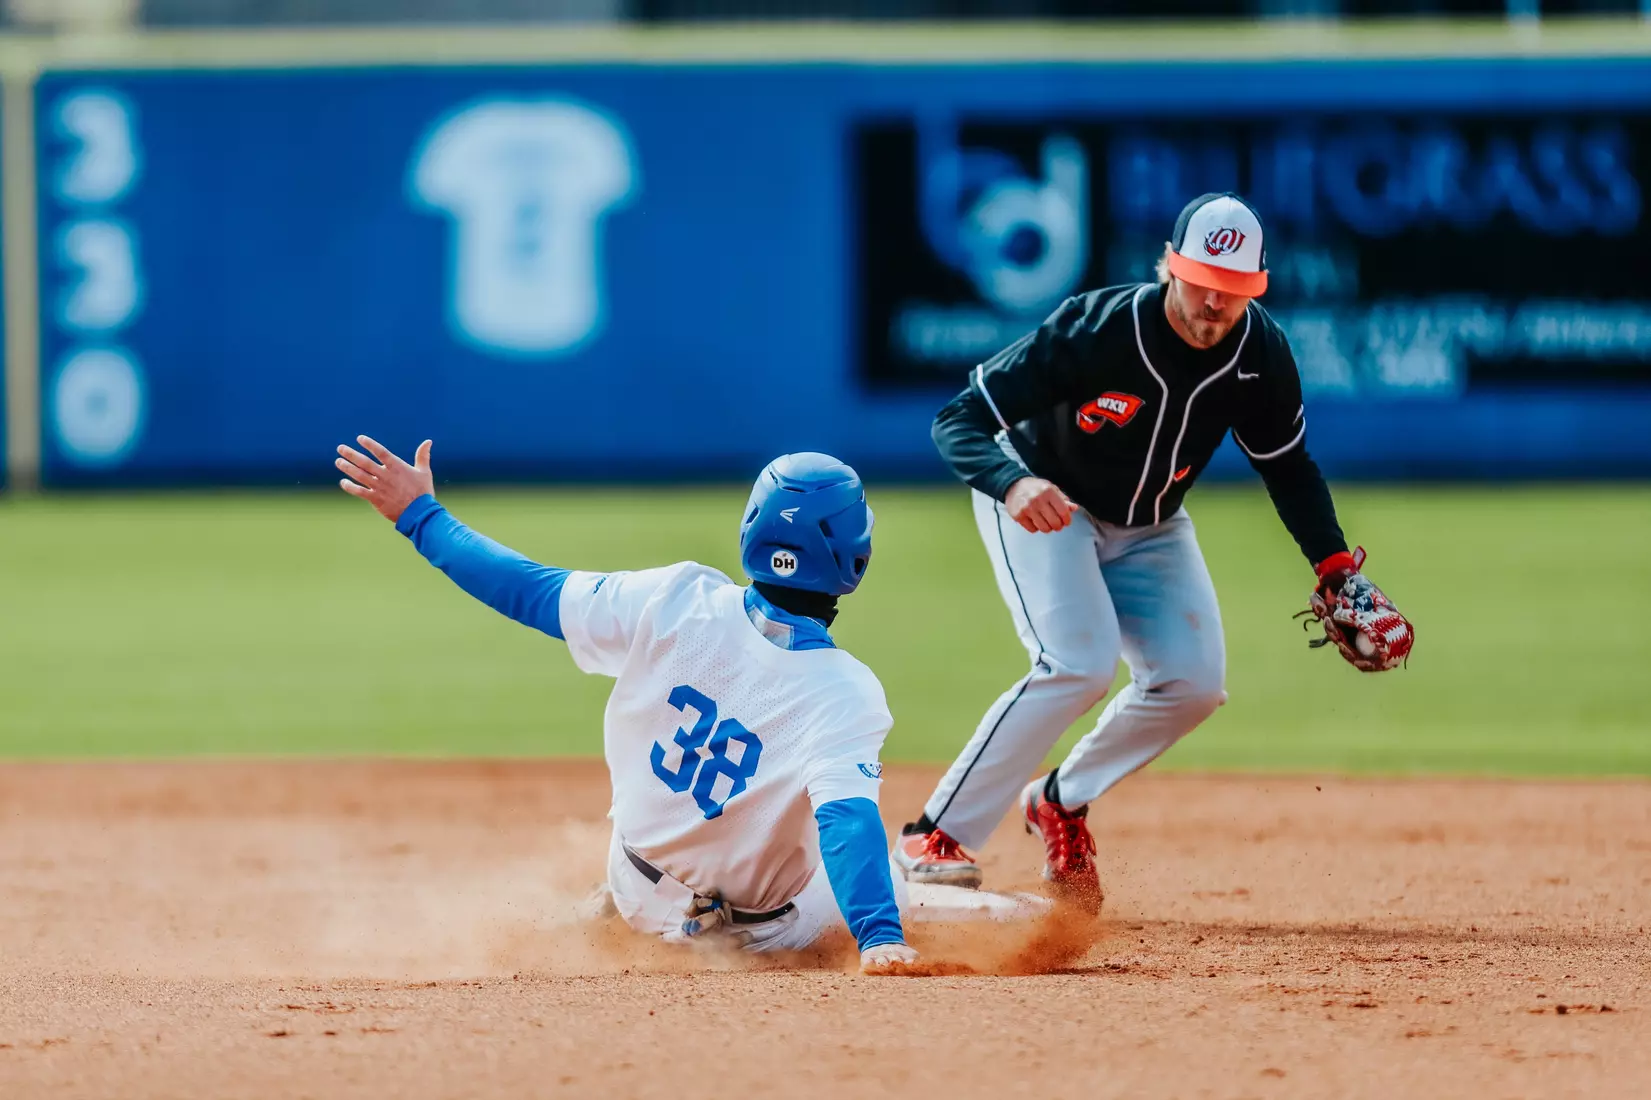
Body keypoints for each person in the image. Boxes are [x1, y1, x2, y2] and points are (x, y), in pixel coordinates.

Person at [891, 192, 1412, 908]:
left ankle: (1059, 801)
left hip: (1151, 524)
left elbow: (1287, 466)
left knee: (1193, 684)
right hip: (1046, 501)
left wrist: (1331, 567)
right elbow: (959, 419)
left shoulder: (1259, 354)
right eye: (1201, 279)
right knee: (1076, 662)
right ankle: (935, 833)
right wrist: (1012, 485)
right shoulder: (1095, 329)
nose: (1212, 301)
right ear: (1169, 266)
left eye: (1233, 289)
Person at [335, 438, 919, 973]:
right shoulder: (845, 690)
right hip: (747, 938)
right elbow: (847, 824)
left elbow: (526, 588)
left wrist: (420, 516)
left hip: (635, 886)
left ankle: (613, 905)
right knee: (887, 873)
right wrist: (879, 937)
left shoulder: (671, 599)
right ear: (853, 558)